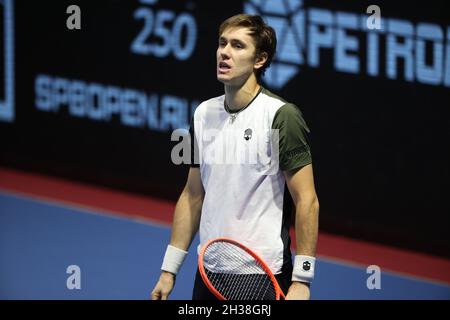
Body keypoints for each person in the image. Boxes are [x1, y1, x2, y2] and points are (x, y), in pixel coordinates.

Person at [151, 13, 319, 300]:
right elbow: (192, 195)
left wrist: (302, 280)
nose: (225, 52)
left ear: (260, 60)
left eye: (238, 46)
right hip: (209, 272)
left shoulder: (282, 116)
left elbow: (307, 200)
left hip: (262, 275)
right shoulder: (202, 113)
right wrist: (169, 270)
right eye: (222, 43)